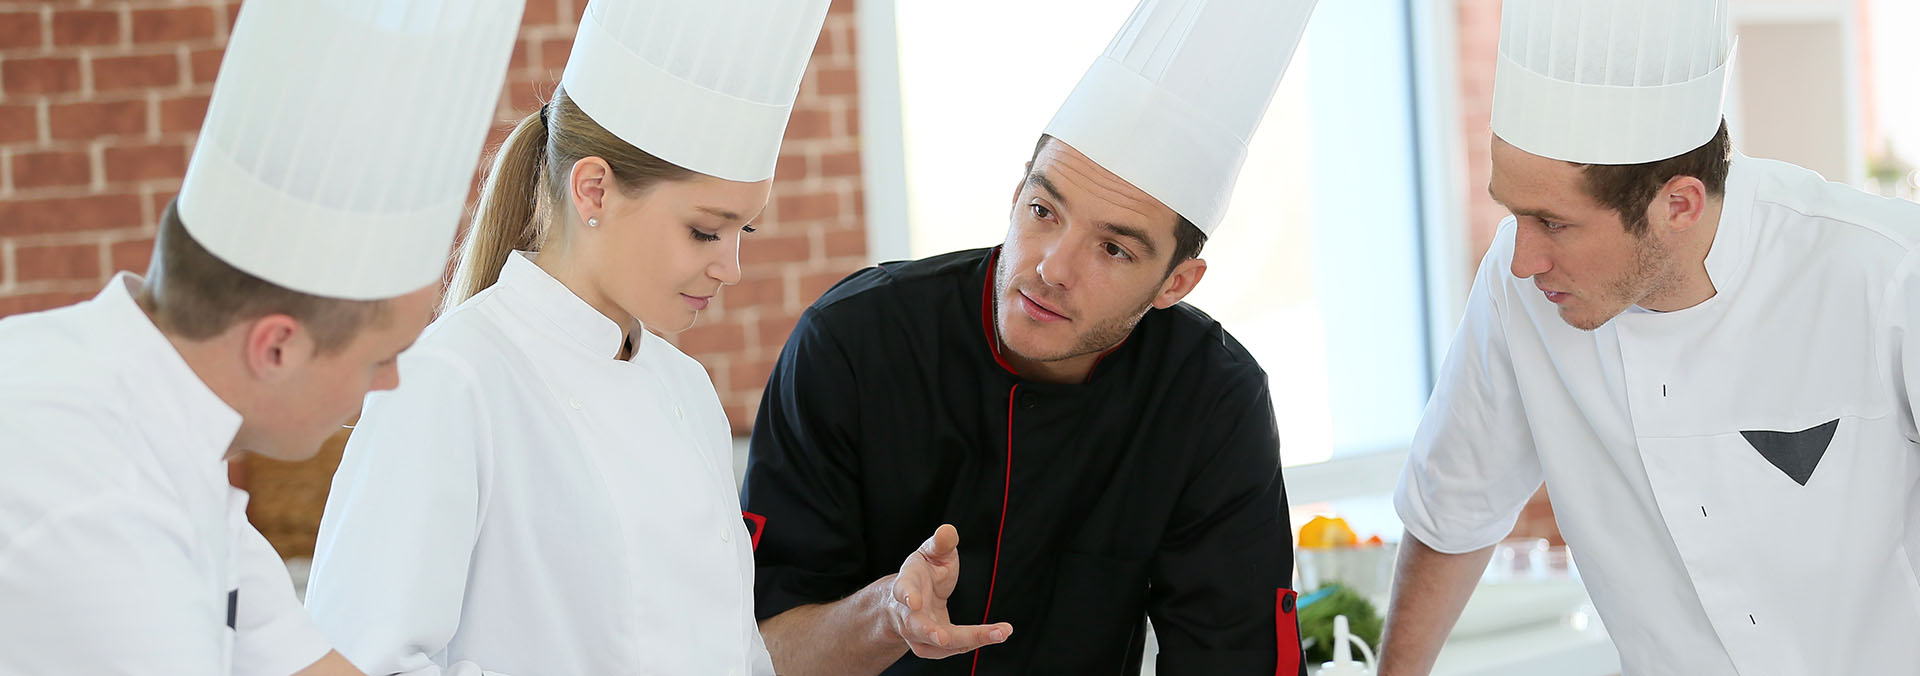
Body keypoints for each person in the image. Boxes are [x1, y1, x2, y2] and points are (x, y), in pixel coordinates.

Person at [741, 0, 1319, 674]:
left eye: (1114, 250)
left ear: (1177, 283)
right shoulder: (852, 347)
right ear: (1018, 190)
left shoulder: (1211, 401)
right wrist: (885, 618)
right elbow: (754, 655)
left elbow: (1236, 658)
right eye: (1043, 211)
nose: (1051, 269)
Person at [1378, 1, 1920, 674]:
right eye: (1514, 213)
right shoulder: (1516, 290)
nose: (1523, 258)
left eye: (1553, 222)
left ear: (1679, 205)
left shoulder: (1888, 272)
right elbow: (1451, 511)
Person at [301, 1, 831, 674]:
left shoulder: (685, 388)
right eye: (705, 230)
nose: (730, 266)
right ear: (594, 192)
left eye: (743, 231)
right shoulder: (450, 380)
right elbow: (364, 657)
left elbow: (736, 651)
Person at [0, 1, 520, 674]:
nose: (391, 381)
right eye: (381, 357)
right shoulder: (104, 508)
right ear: (276, 347)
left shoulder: (169, 434)